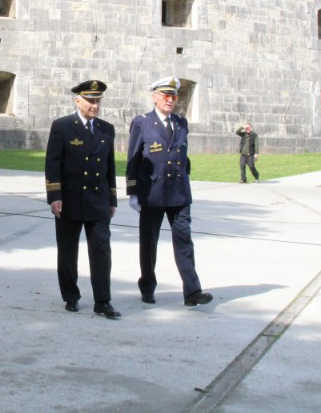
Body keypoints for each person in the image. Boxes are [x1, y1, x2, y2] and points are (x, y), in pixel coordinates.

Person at [127, 78, 213, 307]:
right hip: (152, 192)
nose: (170, 100)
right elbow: (133, 159)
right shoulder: (142, 123)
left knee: (184, 241)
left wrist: (185, 176)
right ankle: (147, 286)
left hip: (179, 193)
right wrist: (133, 191)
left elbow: (183, 156)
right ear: (154, 97)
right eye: (165, 95)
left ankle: (193, 291)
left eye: (174, 96)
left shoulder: (181, 123)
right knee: (149, 243)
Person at [45, 80, 119, 319]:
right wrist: (54, 196)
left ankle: (103, 301)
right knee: (68, 251)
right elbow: (53, 163)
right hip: (70, 200)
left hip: (98, 200)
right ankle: (71, 295)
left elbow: (109, 167)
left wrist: (112, 199)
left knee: (101, 250)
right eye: (90, 101)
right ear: (78, 100)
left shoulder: (106, 129)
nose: (95, 105)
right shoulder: (63, 126)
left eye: (98, 101)